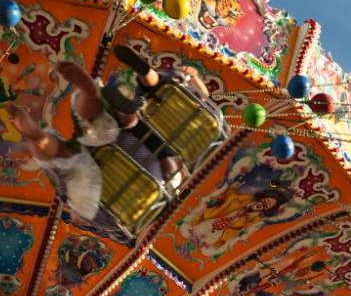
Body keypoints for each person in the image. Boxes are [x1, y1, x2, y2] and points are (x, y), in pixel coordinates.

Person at [12, 45, 209, 223]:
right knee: (63, 158)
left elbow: (205, 95)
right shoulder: (176, 175)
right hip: (129, 188)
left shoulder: (183, 149)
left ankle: (119, 94)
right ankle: (42, 136)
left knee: (133, 108)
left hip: (133, 151)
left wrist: (192, 77)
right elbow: (79, 217)